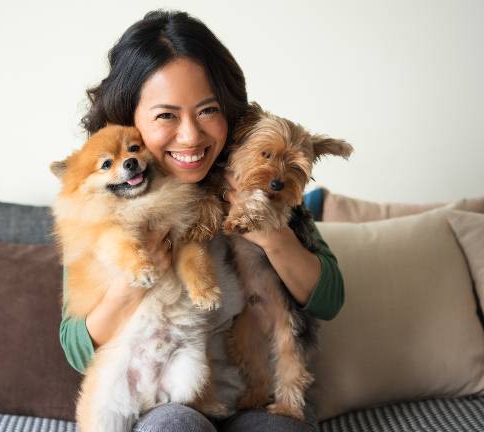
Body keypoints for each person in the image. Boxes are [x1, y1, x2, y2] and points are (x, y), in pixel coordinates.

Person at [59, 10, 344, 432]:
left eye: (207, 110)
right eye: (166, 115)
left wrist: (271, 235)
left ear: (229, 112)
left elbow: (329, 299)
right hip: (168, 400)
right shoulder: (107, 206)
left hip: (261, 402)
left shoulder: (259, 181)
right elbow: (77, 348)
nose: (191, 136)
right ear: (129, 117)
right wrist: (135, 274)